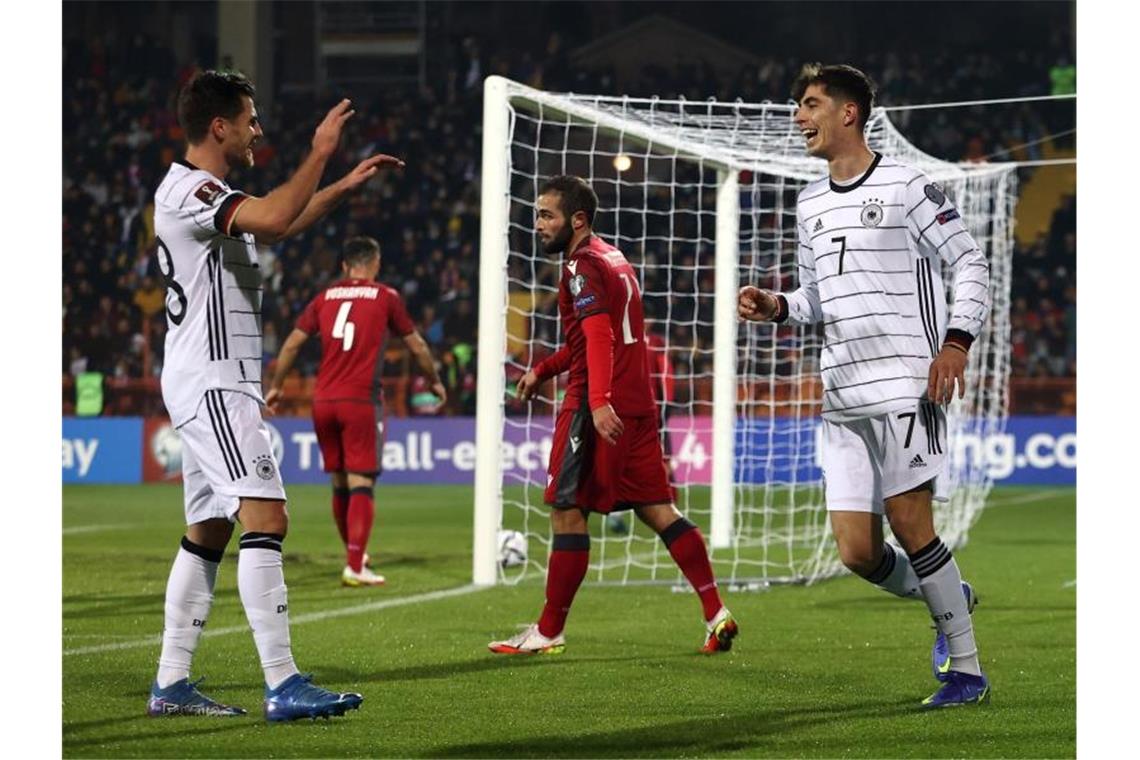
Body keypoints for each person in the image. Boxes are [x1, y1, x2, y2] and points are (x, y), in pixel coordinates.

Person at [148, 69, 402, 720]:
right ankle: (283, 683)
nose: (259, 130)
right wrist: (321, 151)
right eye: (251, 120)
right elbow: (278, 212)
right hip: (215, 376)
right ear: (219, 126)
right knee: (267, 515)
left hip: (203, 375)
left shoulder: (202, 193)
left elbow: (278, 226)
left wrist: (341, 186)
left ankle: (171, 682)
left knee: (207, 530)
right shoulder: (194, 190)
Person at [737, 63, 990, 708]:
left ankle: (966, 670)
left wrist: (956, 343)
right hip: (842, 395)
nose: (799, 115)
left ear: (848, 112)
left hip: (906, 384)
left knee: (912, 522)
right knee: (856, 552)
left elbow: (969, 261)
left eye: (810, 103)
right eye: (799, 104)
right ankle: (949, 593)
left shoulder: (907, 185)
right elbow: (814, 298)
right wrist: (776, 305)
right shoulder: (810, 202)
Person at [488, 175, 738, 656]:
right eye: (537, 214)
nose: (538, 224)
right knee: (659, 511)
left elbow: (599, 335)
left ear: (577, 220)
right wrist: (543, 369)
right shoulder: (613, 257)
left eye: (548, 215)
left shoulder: (581, 266)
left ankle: (548, 629)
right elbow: (589, 339)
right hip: (639, 403)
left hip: (594, 405)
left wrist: (597, 400)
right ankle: (715, 611)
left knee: (566, 511)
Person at [265, 236, 446, 586]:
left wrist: (276, 385)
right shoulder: (385, 296)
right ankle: (355, 564)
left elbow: (292, 343)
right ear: (375, 265)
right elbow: (417, 345)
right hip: (360, 401)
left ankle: (355, 553)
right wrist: (434, 380)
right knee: (361, 481)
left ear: (345, 266)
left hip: (323, 402)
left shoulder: (324, 298)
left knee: (339, 482)